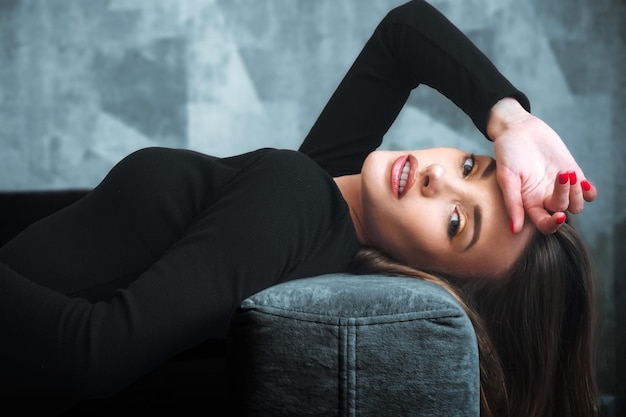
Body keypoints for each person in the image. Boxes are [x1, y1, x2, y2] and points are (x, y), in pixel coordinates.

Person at [0, 1, 598, 416]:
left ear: (430, 278)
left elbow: (91, 356)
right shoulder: (325, 195)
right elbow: (404, 32)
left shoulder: (297, 200)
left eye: (455, 223)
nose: (438, 177)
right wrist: (512, 120)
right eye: (473, 165)